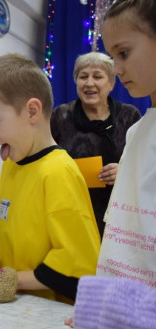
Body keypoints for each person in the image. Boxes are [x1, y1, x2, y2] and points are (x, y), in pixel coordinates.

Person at [0, 53, 101, 303]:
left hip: (51, 314)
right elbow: (8, 229)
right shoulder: (11, 166)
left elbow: (77, 265)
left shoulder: (59, 172)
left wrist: (10, 278)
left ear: (31, 111)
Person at [66, 1, 156, 329]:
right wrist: (104, 304)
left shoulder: (129, 122)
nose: (117, 69)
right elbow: (124, 230)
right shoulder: (138, 132)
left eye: (124, 52)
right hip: (127, 322)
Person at [51, 52, 141, 238]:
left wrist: (124, 172)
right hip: (70, 214)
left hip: (118, 217)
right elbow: (46, 160)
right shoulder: (61, 116)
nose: (89, 83)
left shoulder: (129, 116)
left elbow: (145, 165)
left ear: (111, 83)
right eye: (83, 76)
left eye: (97, 76)